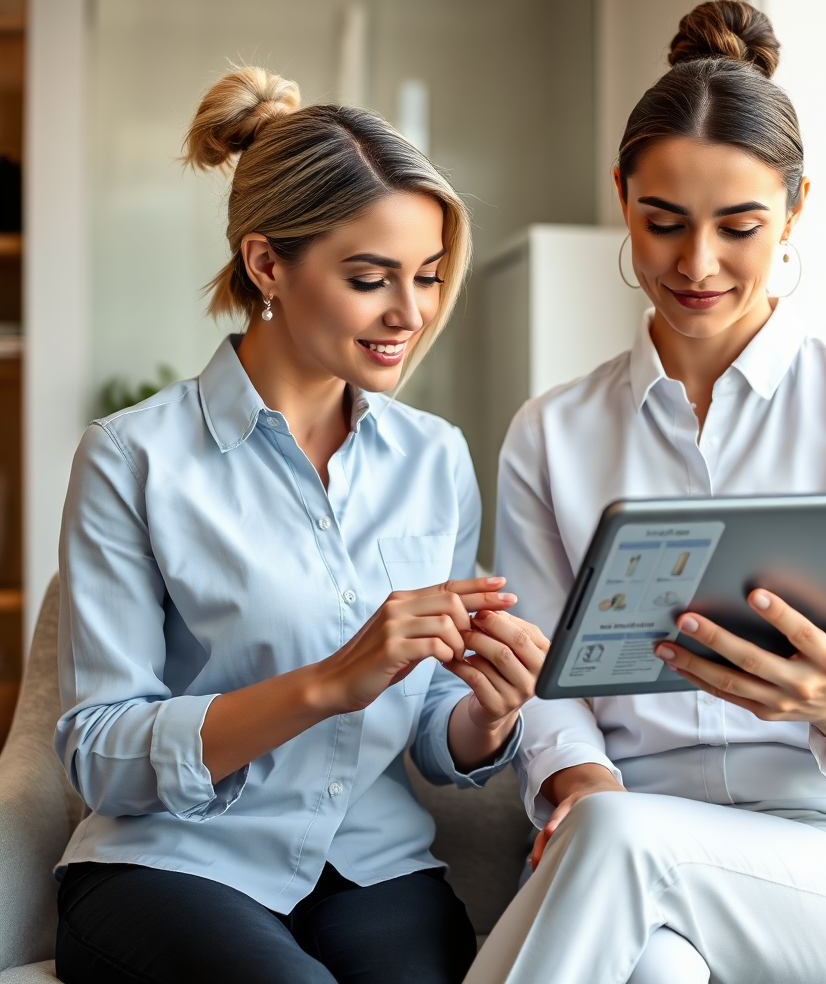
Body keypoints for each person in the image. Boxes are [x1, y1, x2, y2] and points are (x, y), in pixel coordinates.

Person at [467, 0, 826, 984]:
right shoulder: (550, 434)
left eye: (738, 226)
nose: (695, 265)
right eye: (662, 224)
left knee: (614, 840)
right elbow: (540, 679)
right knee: (649, 958)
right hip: (626, 830)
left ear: (794, 206)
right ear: (621, 198)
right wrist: (575, 778)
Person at [53, 66, 549, 984]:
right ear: (267, 264)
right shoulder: (133, 457)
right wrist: (329, 682)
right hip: (170, 865)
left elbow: (438, 728)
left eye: (430, 278)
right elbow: (98, 750)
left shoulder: (435, 458)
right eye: (371, 279)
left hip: (373, 865)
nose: (410, 314)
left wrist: (489, 710)